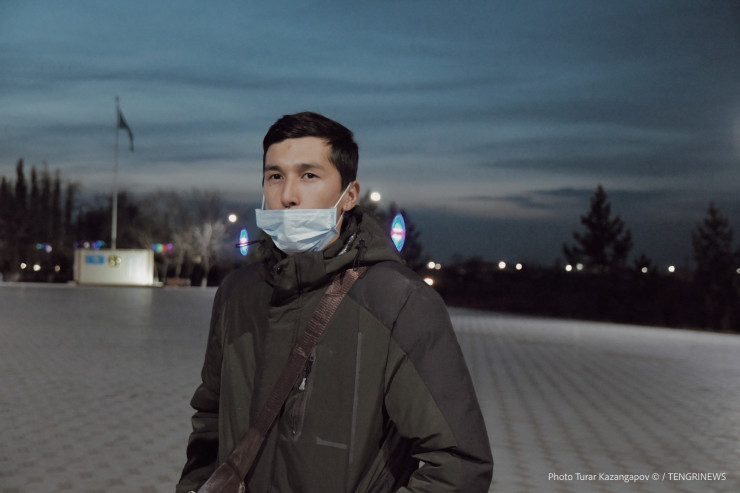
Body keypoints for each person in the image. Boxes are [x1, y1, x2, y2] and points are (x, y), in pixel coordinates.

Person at [176, 111, 493, 492]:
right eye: (275, 176)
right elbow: (210, 419)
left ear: (350, 196)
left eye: (309, 175)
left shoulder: (399, 301)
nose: (288, 195)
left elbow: (459, 463)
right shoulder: (238, 293)